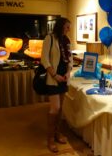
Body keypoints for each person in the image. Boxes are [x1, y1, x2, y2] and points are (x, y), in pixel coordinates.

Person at [40, 17, 73, 153]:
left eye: (69, 27)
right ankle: (50, 139)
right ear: (60, 26)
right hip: (53, 79)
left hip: (64, 79)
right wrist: (54, 75)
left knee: (60, 109)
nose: (68, 29)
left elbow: (69, 59)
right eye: (66, 27)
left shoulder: (66, 40)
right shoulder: (50, 38)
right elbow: (44, 59)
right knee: (55, 108)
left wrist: (68, 72)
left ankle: (57, 134)